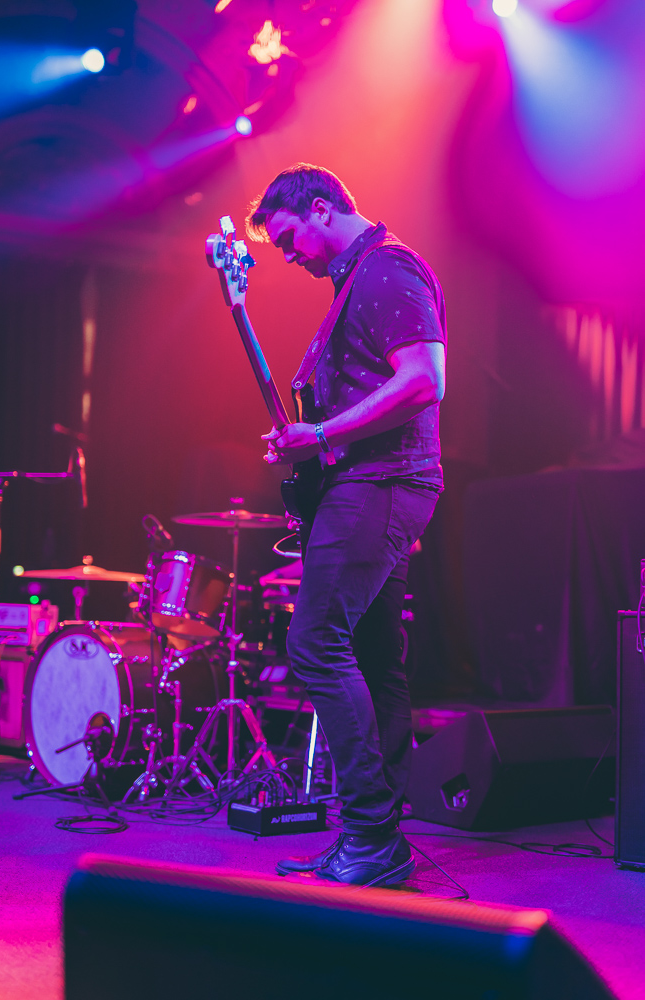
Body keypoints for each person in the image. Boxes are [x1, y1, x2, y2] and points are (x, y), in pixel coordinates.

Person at [246, 163, 446, 887]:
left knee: (313, 643)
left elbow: (425, 380)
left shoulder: (388, 271)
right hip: (370, 480)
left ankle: (369, 836)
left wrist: (325, 434)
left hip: (382, 482)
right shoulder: (357, 281)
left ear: (322, 209)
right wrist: (310, 441)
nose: (289, 255)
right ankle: (373, 841)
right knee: (369, 655)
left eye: (290, 238)